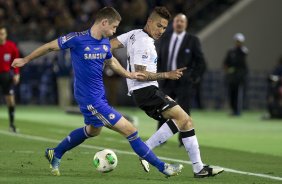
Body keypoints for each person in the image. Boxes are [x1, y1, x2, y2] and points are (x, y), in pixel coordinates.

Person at [12, 7, 183, 177]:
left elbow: (112, 62)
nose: (115, 31)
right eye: (114, 27)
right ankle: (164, 168)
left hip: (99, 96)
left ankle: (55, 153)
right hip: (89, 99)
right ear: (104, 22)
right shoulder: (77, 39)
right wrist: (25, 60)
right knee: (130, 130)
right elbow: (49, 47)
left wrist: (128, 74)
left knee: (93, 130)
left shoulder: (103, 43)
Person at [110, 7, 223, 178]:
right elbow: (140, 75)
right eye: (158, 26)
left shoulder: (134, 34)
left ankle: (198, 168)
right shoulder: (144, 42)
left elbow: (109, 45)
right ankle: (146, 149)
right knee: (183, 118)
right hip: (145, 90)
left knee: (186, 122)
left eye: (164, 27)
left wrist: (100, 56)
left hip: (147, 91)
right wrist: (167, 75)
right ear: (149, 21)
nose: (161, 31)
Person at [157, 13, 206, 147]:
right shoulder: (165, 38)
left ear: (186, 24)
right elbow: (159, 58)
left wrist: (193, 78)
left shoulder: (192, 40)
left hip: (184, 83)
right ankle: (160, 139)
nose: (179, 23)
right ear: (173, 23)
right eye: (177, 21)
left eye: (182, 22)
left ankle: (183, 140)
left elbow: (201, 62)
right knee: (163, 110)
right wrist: (159, 75)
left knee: (184, 111)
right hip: (167, 80)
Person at [0, 25, 20, 133]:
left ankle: (11, 124)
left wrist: (16, 74)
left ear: (6, 34)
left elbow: (15, 61)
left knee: (11, 101)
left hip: (6, 76)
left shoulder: (11, 46)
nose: (1, 36)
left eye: (2, 33)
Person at [223, 33, 248, 116]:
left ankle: (238, 110)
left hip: (239, 77)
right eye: (237, 41)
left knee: (238, 94)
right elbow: (226, 63)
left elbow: (241, 63)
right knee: (231, 94)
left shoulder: (243, 51)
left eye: (239, 41)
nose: (238, 43)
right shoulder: (231, 51)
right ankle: (233, 110)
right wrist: (227, 69)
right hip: (231, 77)